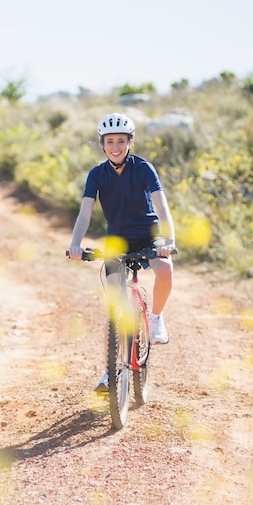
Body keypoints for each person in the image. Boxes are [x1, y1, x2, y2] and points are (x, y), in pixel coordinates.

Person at [68, 112, 176, 393]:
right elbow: (85, 213)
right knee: (117, 307)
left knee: (164, 268)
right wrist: (76, 243)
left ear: (130, 142)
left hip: (148, 235)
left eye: (121, 141)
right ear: (102, 144)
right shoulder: (96, 174)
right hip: (118, 241)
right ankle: (111, 370)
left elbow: (162, 207)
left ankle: (154, 319)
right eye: (109, 141)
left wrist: (169, 239)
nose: (115, 146)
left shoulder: (143, 169)